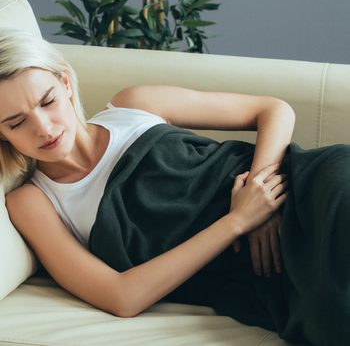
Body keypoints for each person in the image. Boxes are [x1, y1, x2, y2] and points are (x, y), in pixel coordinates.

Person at [0, 29, 349, 346]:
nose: (44, 128)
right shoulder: (32, 201)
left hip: (306, 187)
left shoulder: (133, 105)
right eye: (17, 123)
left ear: (65, 84)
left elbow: (273, 109)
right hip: (267, 272)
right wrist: (238, 221)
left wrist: (260, 193)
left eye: (48, 102)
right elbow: (122, 297)